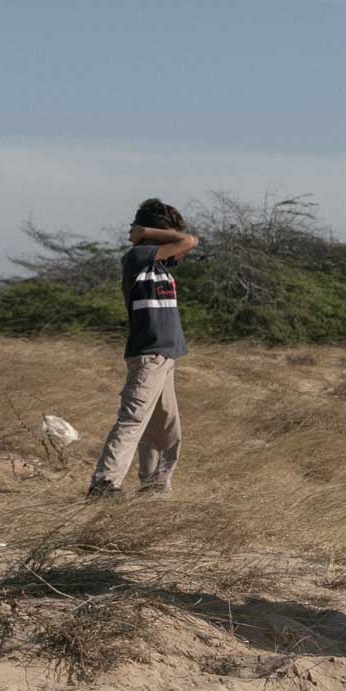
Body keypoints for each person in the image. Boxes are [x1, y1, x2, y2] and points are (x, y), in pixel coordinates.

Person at [86, 199, 200, 498]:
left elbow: (188, 243)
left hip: (166, 356)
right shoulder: (137, 257)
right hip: (149, 355)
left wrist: (150, 232)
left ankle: (154, 487)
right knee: (133, 420)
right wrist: (143, 232)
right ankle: (104, 484)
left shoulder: (161, 264)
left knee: (165, 430)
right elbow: (188, 240)